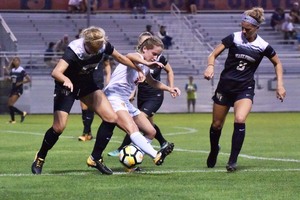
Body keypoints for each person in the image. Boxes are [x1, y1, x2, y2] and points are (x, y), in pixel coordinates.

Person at [30, 26, 146, 175]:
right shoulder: (74, 50)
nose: (96, 51)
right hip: (66, 86)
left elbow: (121, 58)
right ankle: (40, 157)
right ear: (87, 43)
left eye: (99, 48)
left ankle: (95, 158)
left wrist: (139, 69)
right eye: (93, 49)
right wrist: (65, 79)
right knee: (59, 127)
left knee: (111, 118)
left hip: (86, 84)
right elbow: (56, 72)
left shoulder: (103, 45)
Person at [203, 7, 286, 172]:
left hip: (244, 88)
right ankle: (214, 150)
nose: (243, 31)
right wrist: (210, 67)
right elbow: (212, 54)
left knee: (240, 119)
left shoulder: (262, 46)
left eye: (247, 29)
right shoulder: (233, 38)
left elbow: (278, 63)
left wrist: (280, 84)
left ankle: (232, 161)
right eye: (242, 27)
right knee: (216, 125)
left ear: (256, 28)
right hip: (225, 86)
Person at [102, 36, 180, 172]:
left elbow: (153, 82)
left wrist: (169, 88)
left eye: (158, 55)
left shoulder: (145, 68)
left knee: (151, 131)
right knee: (132, 128)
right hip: (113, 96)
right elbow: (129, 55)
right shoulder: (136, 57)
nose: (156, 57)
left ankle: (131, 163)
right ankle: (156, 155)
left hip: (124, 100)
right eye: (154, 54)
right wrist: (147, 64)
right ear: (144, 49)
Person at [78, 54, 112, 141]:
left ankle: (85, 133)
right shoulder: (84, 51)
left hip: (97, 81)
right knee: (83, 107)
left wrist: (108, 79)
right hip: (84, 80)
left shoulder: (103, 52)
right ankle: (88, 133)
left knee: (91, 107)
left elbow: (107, 65)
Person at [3, 57, 31, 123]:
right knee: (9, 105)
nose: (15, 62)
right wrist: (8, 79)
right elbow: (12, 79)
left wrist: (21, 82)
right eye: (14, 61)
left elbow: (29, 79)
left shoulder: (21, 70)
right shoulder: (13, 70)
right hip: (13, 88)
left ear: (19, 62)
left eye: (16, 60)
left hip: (18, 89)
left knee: (10, 104)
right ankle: (16, 117)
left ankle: (18, 116)